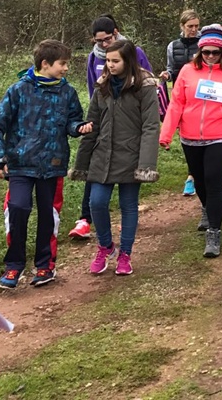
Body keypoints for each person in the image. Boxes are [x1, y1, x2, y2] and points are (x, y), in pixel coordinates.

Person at [0, 39, 86, 289]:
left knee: (48, 216)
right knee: (17, 209)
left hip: (53, 166)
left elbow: (73, 122)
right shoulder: (18, 90)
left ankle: (45, 266)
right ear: (45, 63)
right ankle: (13, 267)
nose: (66, 69)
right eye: (63, 64)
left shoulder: (68, 92)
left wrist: (79, 128)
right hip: (19, 165)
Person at [159, 25, 222, 258]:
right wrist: (166, 134)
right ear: (200, 51)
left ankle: (214, 232)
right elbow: (176, 103)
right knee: (199, 181)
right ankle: (207, 209)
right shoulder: (187, 72)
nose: (210, 56)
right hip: (190, 136)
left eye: (215, 52)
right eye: (206, 52)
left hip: (221, 134)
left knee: (213, 181)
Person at [71, 40, 160, 277]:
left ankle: (125, 254)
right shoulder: (102, 86)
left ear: (128, 60)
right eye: (107, 60)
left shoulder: (146, 86)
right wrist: (82, 162)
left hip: (132, 155)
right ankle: (106, 247)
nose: (109, 65)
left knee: (128, 206)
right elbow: (94, 123)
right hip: (103, 155)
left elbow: (151, 126)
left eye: (115, 61)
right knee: (96, 202)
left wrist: (146, 164)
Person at [160, 9, 201, 197]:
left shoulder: (203, 45)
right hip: (180, 97)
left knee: (200, 134)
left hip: (200, 97)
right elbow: (171, 69)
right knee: (187, 136)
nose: (193, 30)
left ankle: (195, 175)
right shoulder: (172, 46)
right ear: (182, 26)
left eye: (196, 26)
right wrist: (166, 75)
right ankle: (193, 173)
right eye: (190, 26)